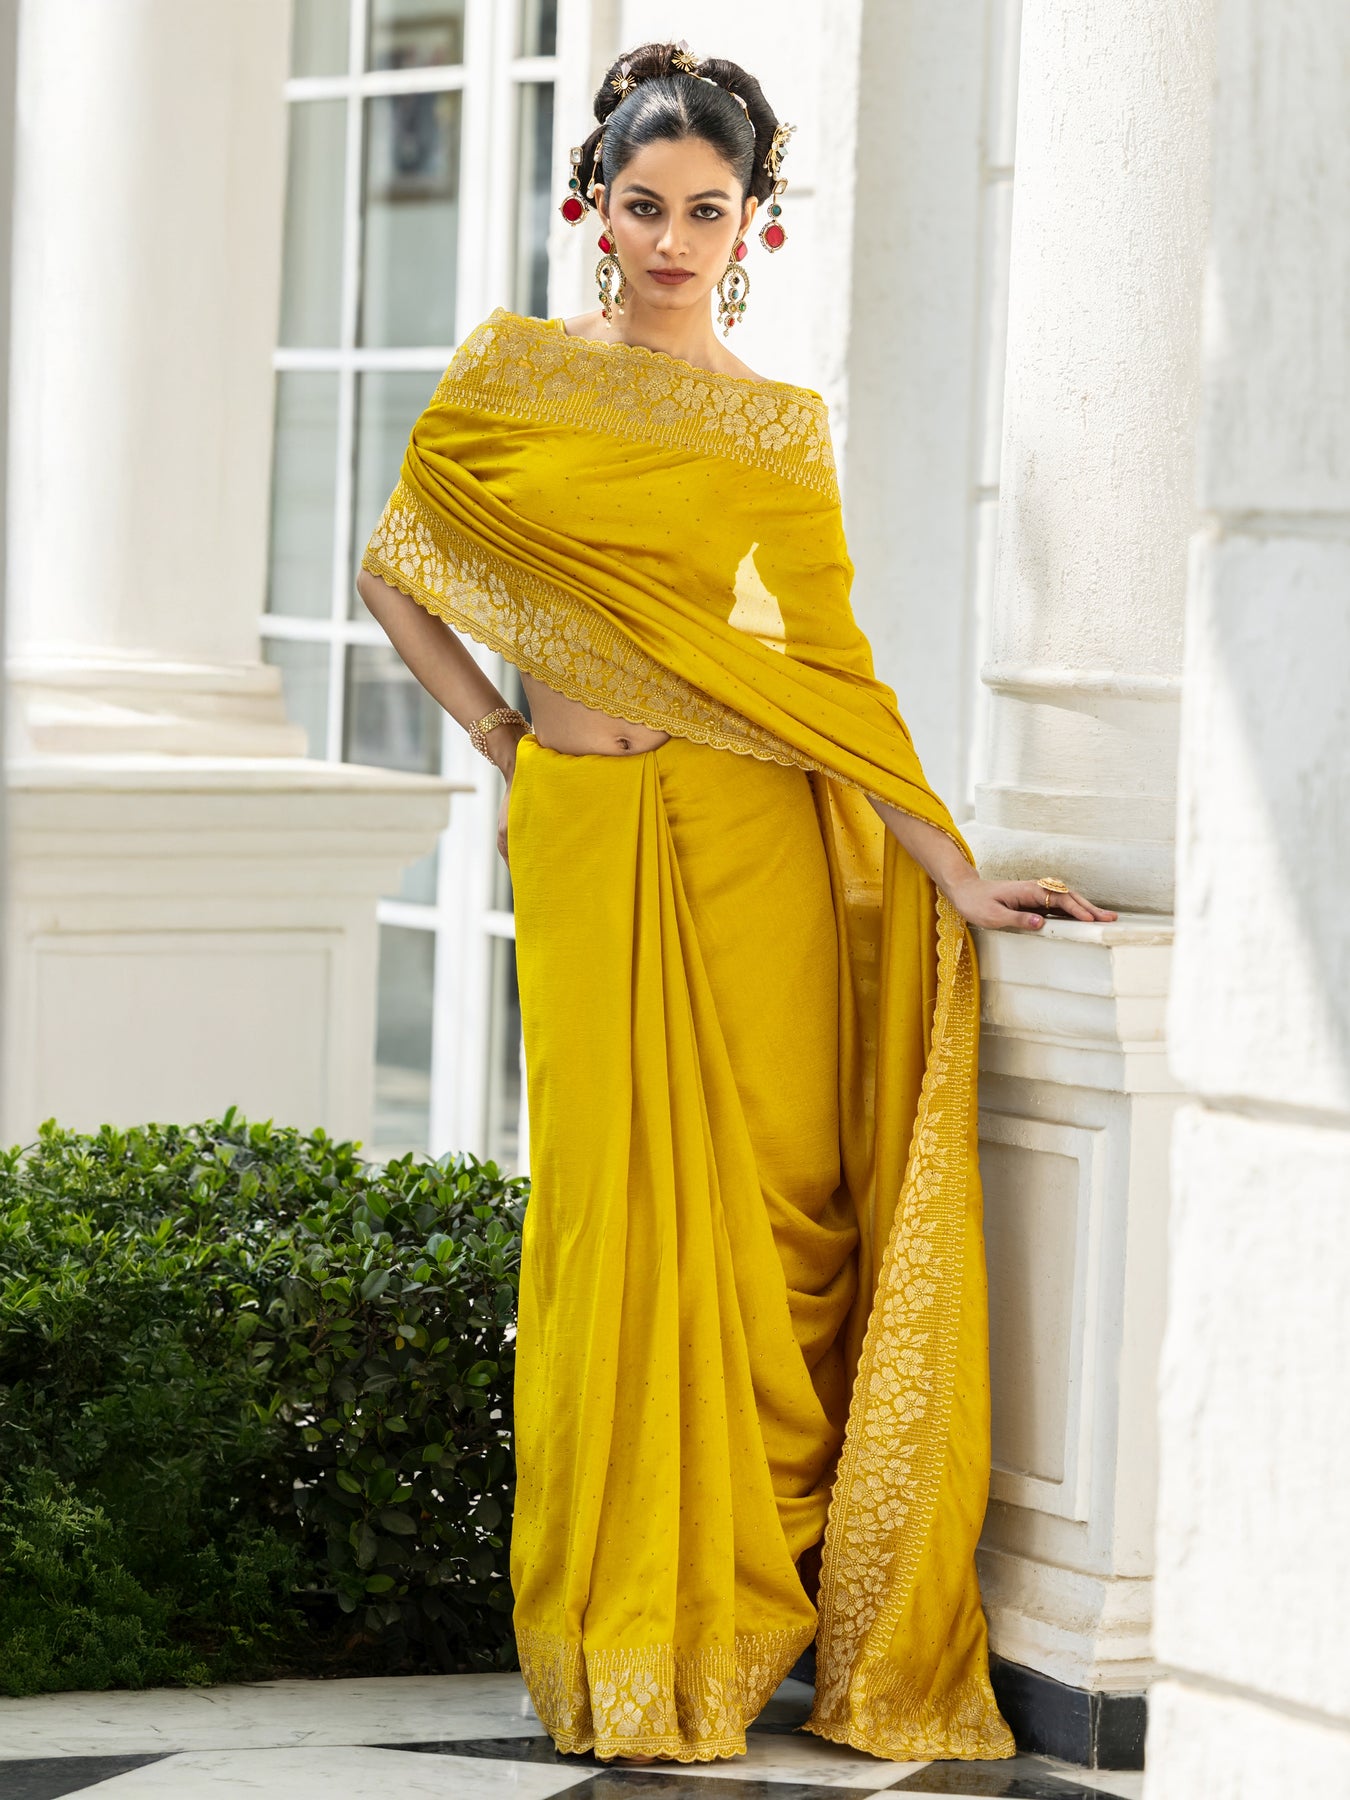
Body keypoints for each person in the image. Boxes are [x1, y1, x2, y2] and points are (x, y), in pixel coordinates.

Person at [357, 39, 1115, 1769]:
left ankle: (746, 1609)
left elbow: (831, 674)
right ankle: (630, 1636)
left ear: (753, 220)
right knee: (616, 1220)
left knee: (773, 1218)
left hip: (755, 837)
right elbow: (395, 576)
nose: (671, 240)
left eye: (706, 210)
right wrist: (505, 748)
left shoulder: (775, 428)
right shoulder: (512, 375)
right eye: (644, 206)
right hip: (586, 837)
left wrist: (951, 867)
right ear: (593, 206)